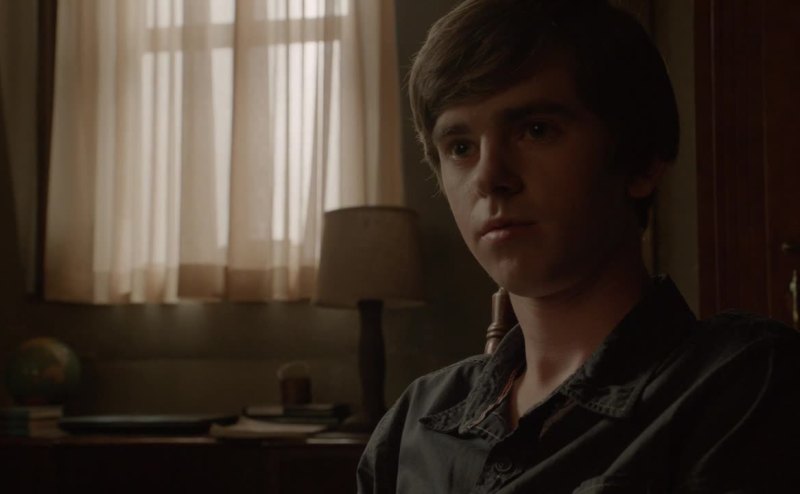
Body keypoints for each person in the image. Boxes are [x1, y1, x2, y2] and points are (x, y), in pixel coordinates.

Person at [357, 0, 800, 492]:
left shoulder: (742, 383)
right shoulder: (412, 425)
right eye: (461, 147)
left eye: (536, 130)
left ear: (641, 162)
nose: (489, 176)